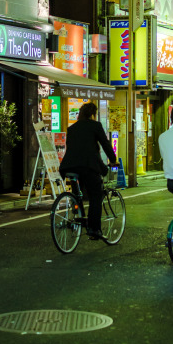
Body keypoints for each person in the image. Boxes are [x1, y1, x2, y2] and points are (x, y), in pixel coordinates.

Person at [59, 101, 117, 240]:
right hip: (88, 166)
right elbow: (105, 144)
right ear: (93, 114)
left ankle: (77, 211)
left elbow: (74, 148)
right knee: (95, 195)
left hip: (69, 167)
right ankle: (94, 228)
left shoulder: (72, 128)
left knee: (78, 193)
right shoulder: (95, 126)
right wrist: (113, 159)